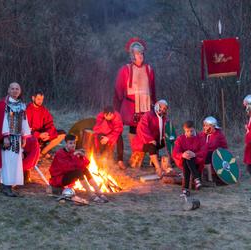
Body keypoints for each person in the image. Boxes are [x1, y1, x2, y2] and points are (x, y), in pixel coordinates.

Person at [114, 38, 156, 168]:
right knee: (133, 128)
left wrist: (154, 103)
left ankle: (148, 155)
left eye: (142, 53)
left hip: (146, 104)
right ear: (132, 55)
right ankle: (135, 154)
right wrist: (116, 108)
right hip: (131, 105)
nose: (140, 56)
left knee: (145, 129)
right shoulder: (125, 70)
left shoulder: (149, 69)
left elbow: (153, 88)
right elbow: (118, 89)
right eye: (138, 53)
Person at [0, 82, 31, 197]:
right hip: (8, 138)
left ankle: (11, 185)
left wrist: (24, 136)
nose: (15, 91)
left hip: (18, 137)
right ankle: (6, 186)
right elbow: (3, 121)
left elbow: (24, 121)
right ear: (8, 90)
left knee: (15, 162)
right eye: (13, 88)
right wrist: (5, 137)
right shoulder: (3, 105)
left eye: (17, 89)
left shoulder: (22, 105)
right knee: (7, 161)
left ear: (20, 91)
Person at [49, 134, 108, 203]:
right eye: (70, 143)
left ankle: (99, 192)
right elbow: (67, 168)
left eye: (74, 143)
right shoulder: (60, 153)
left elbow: (84, 165)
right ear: (66, 144)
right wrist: (74, 155)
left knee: (85, 170)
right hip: (59, 179)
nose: (73, 145)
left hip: (68, 176)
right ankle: (91, 195)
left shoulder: (73, 152)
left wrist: (82, 157)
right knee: (78, 172)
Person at [131, 100, 171, 177]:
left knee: (167, 141)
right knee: (151, 146)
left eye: (164, 108)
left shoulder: (164, 118)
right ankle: (158, 167)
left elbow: (166, 131)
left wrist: (167, 137)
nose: (162, 110)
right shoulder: (148, 115)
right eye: (161, 107)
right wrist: (150, 139)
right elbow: (142, 128)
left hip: (155, 140)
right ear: (157, 106)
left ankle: (168, 162)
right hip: (142, 141)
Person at [26, 90, 65, 158]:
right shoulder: (27, 109)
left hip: (43, 136)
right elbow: (24, 129)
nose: (40, 101)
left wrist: (48, 134)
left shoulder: (43, 110)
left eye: (42, 99)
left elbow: (50, 124)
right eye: (38, 99)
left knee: (62, 134)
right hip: (32, 136)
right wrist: (38, 135)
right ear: (33, 98)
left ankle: (42, 153)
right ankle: (34, 152)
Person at [172, 121, 207, 196]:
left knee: (188, 158)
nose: (189, 133)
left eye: (191, 131)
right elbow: (175, 152)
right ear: (184, 130)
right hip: (185, 160)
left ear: (194, 129)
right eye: (187, 131)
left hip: (197, 160)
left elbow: (204, 151)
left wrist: (194, 154)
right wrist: (182, 154)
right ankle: (197, 178)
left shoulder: (200, 138)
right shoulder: (180, 139)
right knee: (186, 158)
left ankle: (185, 189)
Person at [200, 116, 228, 183]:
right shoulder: (205, 134)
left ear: (212, 126)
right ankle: (200, 175)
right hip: (210, 152)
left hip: (220, 154)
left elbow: (211, 146)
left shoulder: (218, 134)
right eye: (205, 125)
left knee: (207, 155)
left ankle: (210, 177)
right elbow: (199, 141)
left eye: (207, 126)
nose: (205, 127)